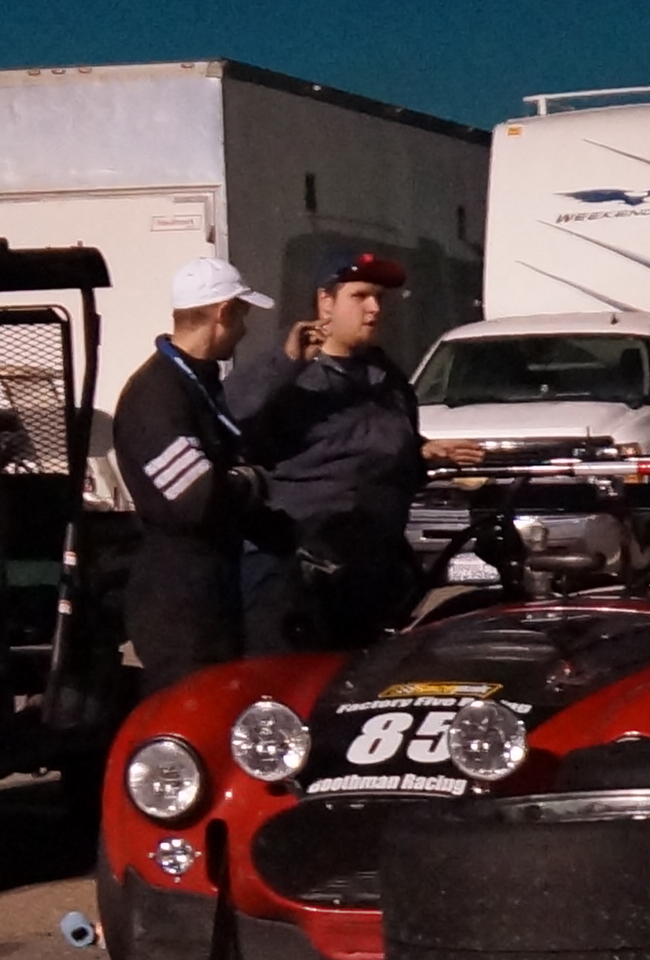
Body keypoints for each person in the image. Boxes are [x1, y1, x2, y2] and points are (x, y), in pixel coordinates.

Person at [237, 247, 425, 652]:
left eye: (379, 297)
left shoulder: (386, 376)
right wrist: (288, 365)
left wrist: (424, 452)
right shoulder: (287, 375)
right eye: (360, 296)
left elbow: (377, 446)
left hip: (371, 572)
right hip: (298, 580)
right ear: (326, 302)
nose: (374, 309)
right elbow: (233, 426)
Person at [104, 254, 271, 681]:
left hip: (213, 590)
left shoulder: (198, 382)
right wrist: (251, 481)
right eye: (242, 316)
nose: (245, 330)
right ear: (223, 312)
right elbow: (195, 499)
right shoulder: (156, 394)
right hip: (179, 605)